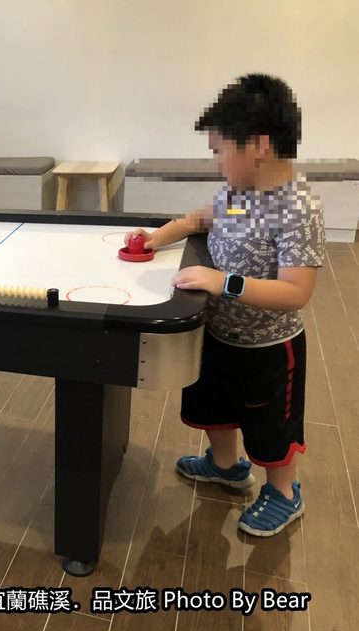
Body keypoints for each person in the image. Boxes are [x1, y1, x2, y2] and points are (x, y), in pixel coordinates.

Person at [126, 74, 325, 536]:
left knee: (270, 424)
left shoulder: (297, 209)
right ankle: (225, 466)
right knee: (213, 404)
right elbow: (198, 219)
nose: (216, 161)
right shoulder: (239, 195)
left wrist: (224, 282)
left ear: (258, 145)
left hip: (269, 347)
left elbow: (296, 292)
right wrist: (155, 238)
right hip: (218, 331)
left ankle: (284, 492)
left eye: (219, 150)